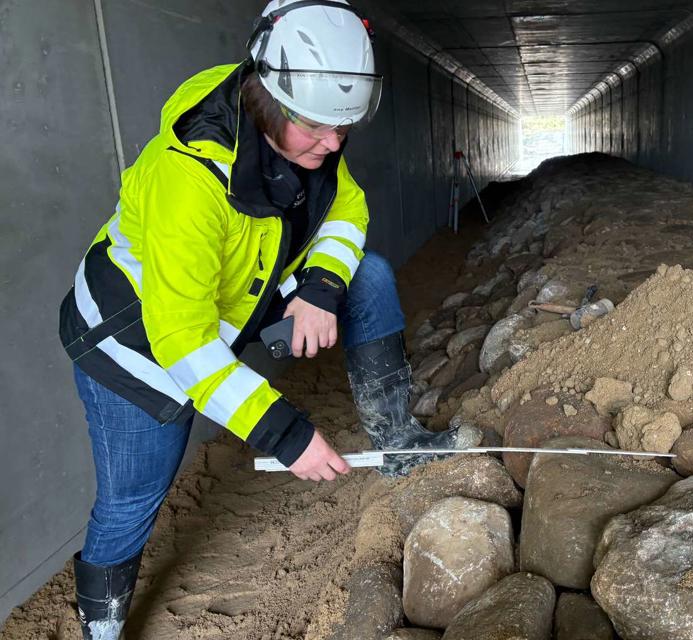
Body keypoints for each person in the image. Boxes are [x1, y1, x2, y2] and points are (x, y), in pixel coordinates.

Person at [57, 1, 479, 636]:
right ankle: (103, 624)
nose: (334, 143)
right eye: (317, 128)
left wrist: (320, 286)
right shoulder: (189, 182)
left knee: (368, 277)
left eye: (345, 128)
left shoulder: (305, 128)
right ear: (267, 100)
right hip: (137, 344)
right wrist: (286, 435)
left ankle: (397, 441)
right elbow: (184, 344)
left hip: (239, 301)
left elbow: (349, 206)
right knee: (133, 498)